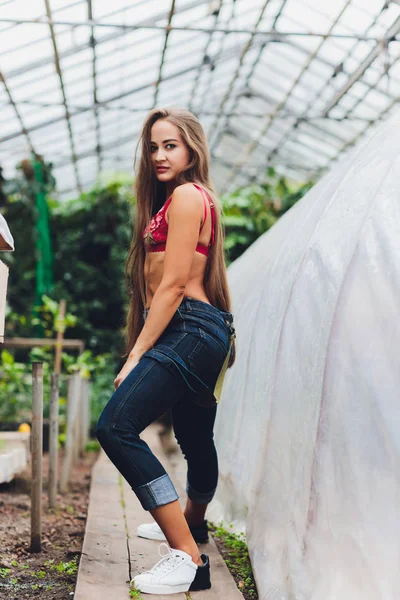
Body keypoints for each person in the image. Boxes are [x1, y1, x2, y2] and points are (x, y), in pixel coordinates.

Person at [96, 107, 237, 595]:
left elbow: (174, 284)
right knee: (195, 438)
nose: (159, 155)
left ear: (192, 148)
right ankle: (190, 524)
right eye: (153, 146)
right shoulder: (186, 199)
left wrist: (135, 355)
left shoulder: (185, 196)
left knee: (115, 427)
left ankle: (187, 557)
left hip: (189, 329)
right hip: (202, 329)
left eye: (170, 145)